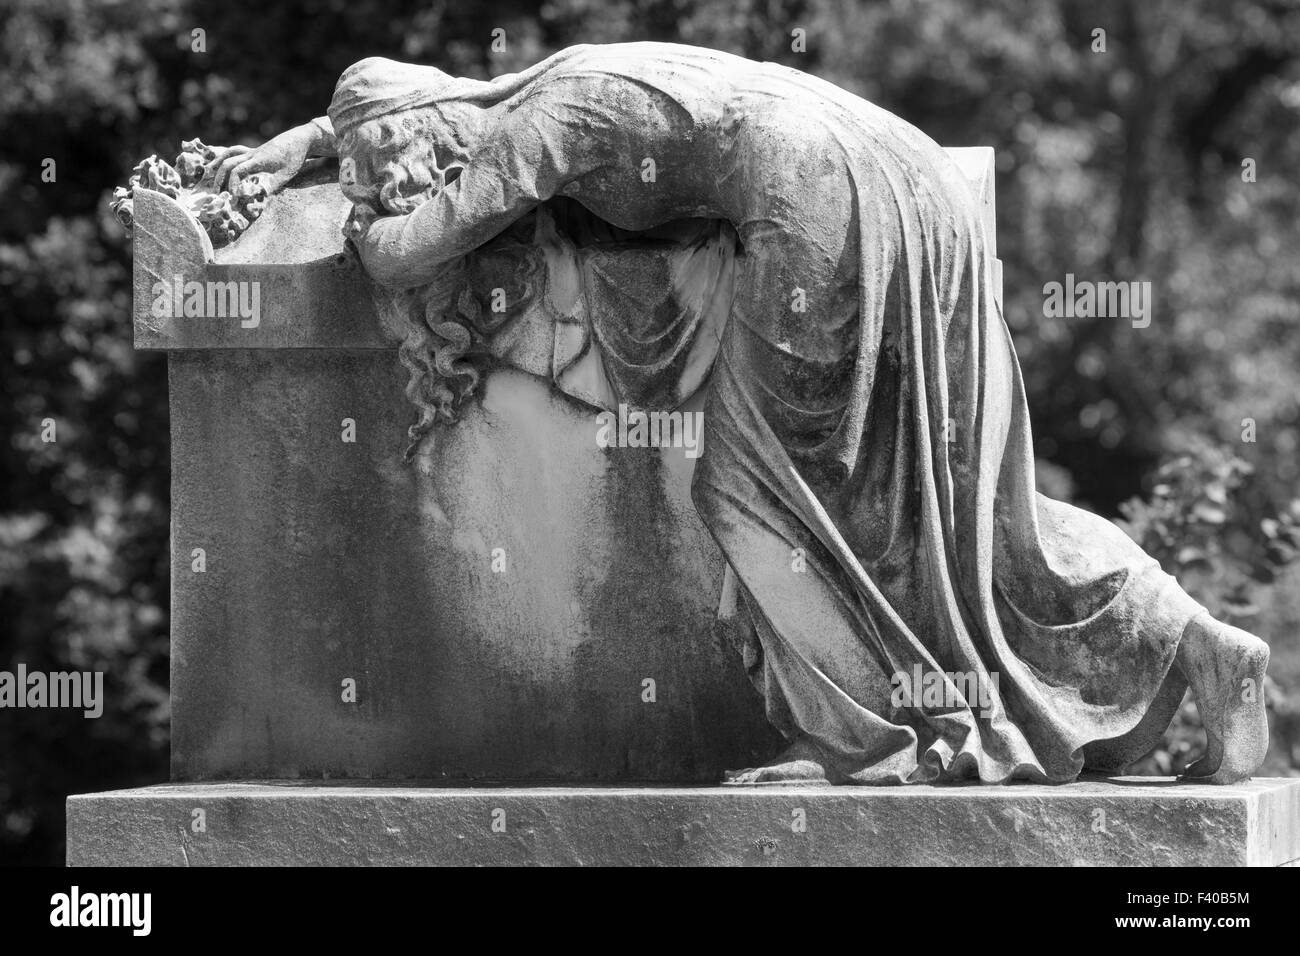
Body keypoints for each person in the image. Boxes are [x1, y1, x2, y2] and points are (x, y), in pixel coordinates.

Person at [211, 41, 1270, 785]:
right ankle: (1191, 639)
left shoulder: (534, 124)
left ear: (429, 124)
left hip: (817, 207)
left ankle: (878, 740)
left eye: (385, 160)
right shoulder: (550, 78)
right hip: (901, 181)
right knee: (962, 504)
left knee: (750, 487)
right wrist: (305, 145)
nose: (390, 179)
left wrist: (363, 220)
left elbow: (413, 244)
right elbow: (437, 120)